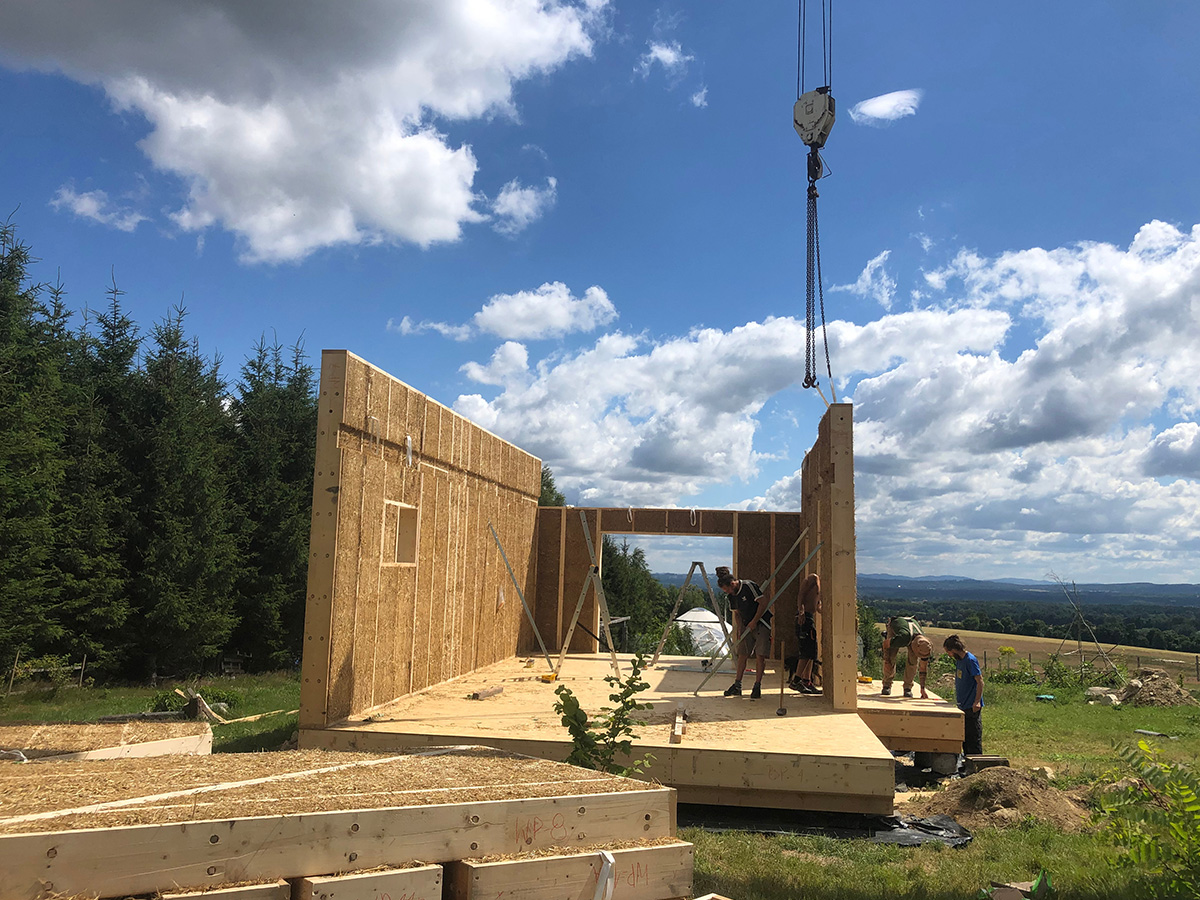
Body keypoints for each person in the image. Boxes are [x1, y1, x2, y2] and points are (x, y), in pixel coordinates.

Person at [716, 567, 771, 700]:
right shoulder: (731, 595)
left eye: (727, 589)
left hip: (761, 623)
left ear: (733, 584)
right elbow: (737, 613)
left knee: (760, 655)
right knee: (742, 654)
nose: (727, 592)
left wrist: (754, 621)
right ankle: (737, 685)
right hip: (747, 625)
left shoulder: (748, 586)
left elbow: (763, 603)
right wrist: (740, 628)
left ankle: (757, 686)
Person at [944, 634, 984, 755]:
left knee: (973, 739)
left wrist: (977, 702)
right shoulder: (959, 661)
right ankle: (966, 765)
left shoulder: (970, 660)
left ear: (954, 650)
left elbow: (980, 682)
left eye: (948, 652)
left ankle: (975, 765)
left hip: (972, 706)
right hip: (962, 705)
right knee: (964, 738)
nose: (948, 655)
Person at [881, 615, 933, 698]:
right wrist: (886, 660)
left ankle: (908, 688)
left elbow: (923, 668)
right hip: (897, 628)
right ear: (913, 646)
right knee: (891, 656)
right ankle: (887, 685)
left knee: (913, 661)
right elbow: (885, 644)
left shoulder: (924, 645)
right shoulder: (903, 638)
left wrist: (922, 689)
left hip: (911, 635)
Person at [789, 574, 822, 695]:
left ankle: (806, 682)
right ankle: (796, 681)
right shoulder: (813, 578)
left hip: (810, 617)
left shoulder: (820, 586)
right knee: (806, 651)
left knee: (812, 652)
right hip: (805, 618)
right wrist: (801, 611)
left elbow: (817, 606)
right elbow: (801, 594)